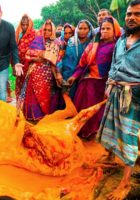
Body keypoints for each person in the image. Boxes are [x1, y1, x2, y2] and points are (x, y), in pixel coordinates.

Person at [97, 0, 140, 199]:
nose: (132, 17)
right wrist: (109, 84)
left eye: (137, 14)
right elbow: (114, 64)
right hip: (115, 91)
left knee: (128, 136)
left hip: (133, 97)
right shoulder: (122, 41)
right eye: (129, 14)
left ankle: (125, 183)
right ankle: (111, 158)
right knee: (110, 127)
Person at [67, 17, 121, 139]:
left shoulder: (118, 46)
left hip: (103, 86)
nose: (105, 31)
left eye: (108, 28)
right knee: (82, 110)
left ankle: (94, 135)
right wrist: (74, 76)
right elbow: (83, 64)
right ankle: (81, 132)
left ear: (115, 30)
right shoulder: (93, 45)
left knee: (96, 113)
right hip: (86, 83)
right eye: (103, 28)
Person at [21, 20, 61, 121]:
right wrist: (37, 58)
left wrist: (38, 56)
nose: (46, 32)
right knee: (31, 94)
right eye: (45, 30)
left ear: (53, 31)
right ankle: (30, 117)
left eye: (49, 30)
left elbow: (52, 59)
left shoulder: (55, 42)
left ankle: (42, 117)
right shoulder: (37, 40)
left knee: (44, 95)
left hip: (46, 74)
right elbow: (28, 54)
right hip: (33, 71)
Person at [57, 20, 94, 98]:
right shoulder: (70, 41)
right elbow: (61, 58)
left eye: (85, 28)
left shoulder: (92, 44)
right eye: (80, 28)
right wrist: (59, 73)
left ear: (89, 29)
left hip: (84, 77)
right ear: (77, 29)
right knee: (66, 100)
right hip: (68, 75)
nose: (82, 31)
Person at [14, 14, 36, 100]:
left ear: (30, 24)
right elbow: (14, 49)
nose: (25, 26)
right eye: (23, 24)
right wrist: (14, 65)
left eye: (27, 24)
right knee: (19, 87)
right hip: (19, 65)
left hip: (30, 66)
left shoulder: (34, 34)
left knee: (28, 89)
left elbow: (37, 50)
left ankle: (28, 110)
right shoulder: (18, 34)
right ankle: (19, 109)